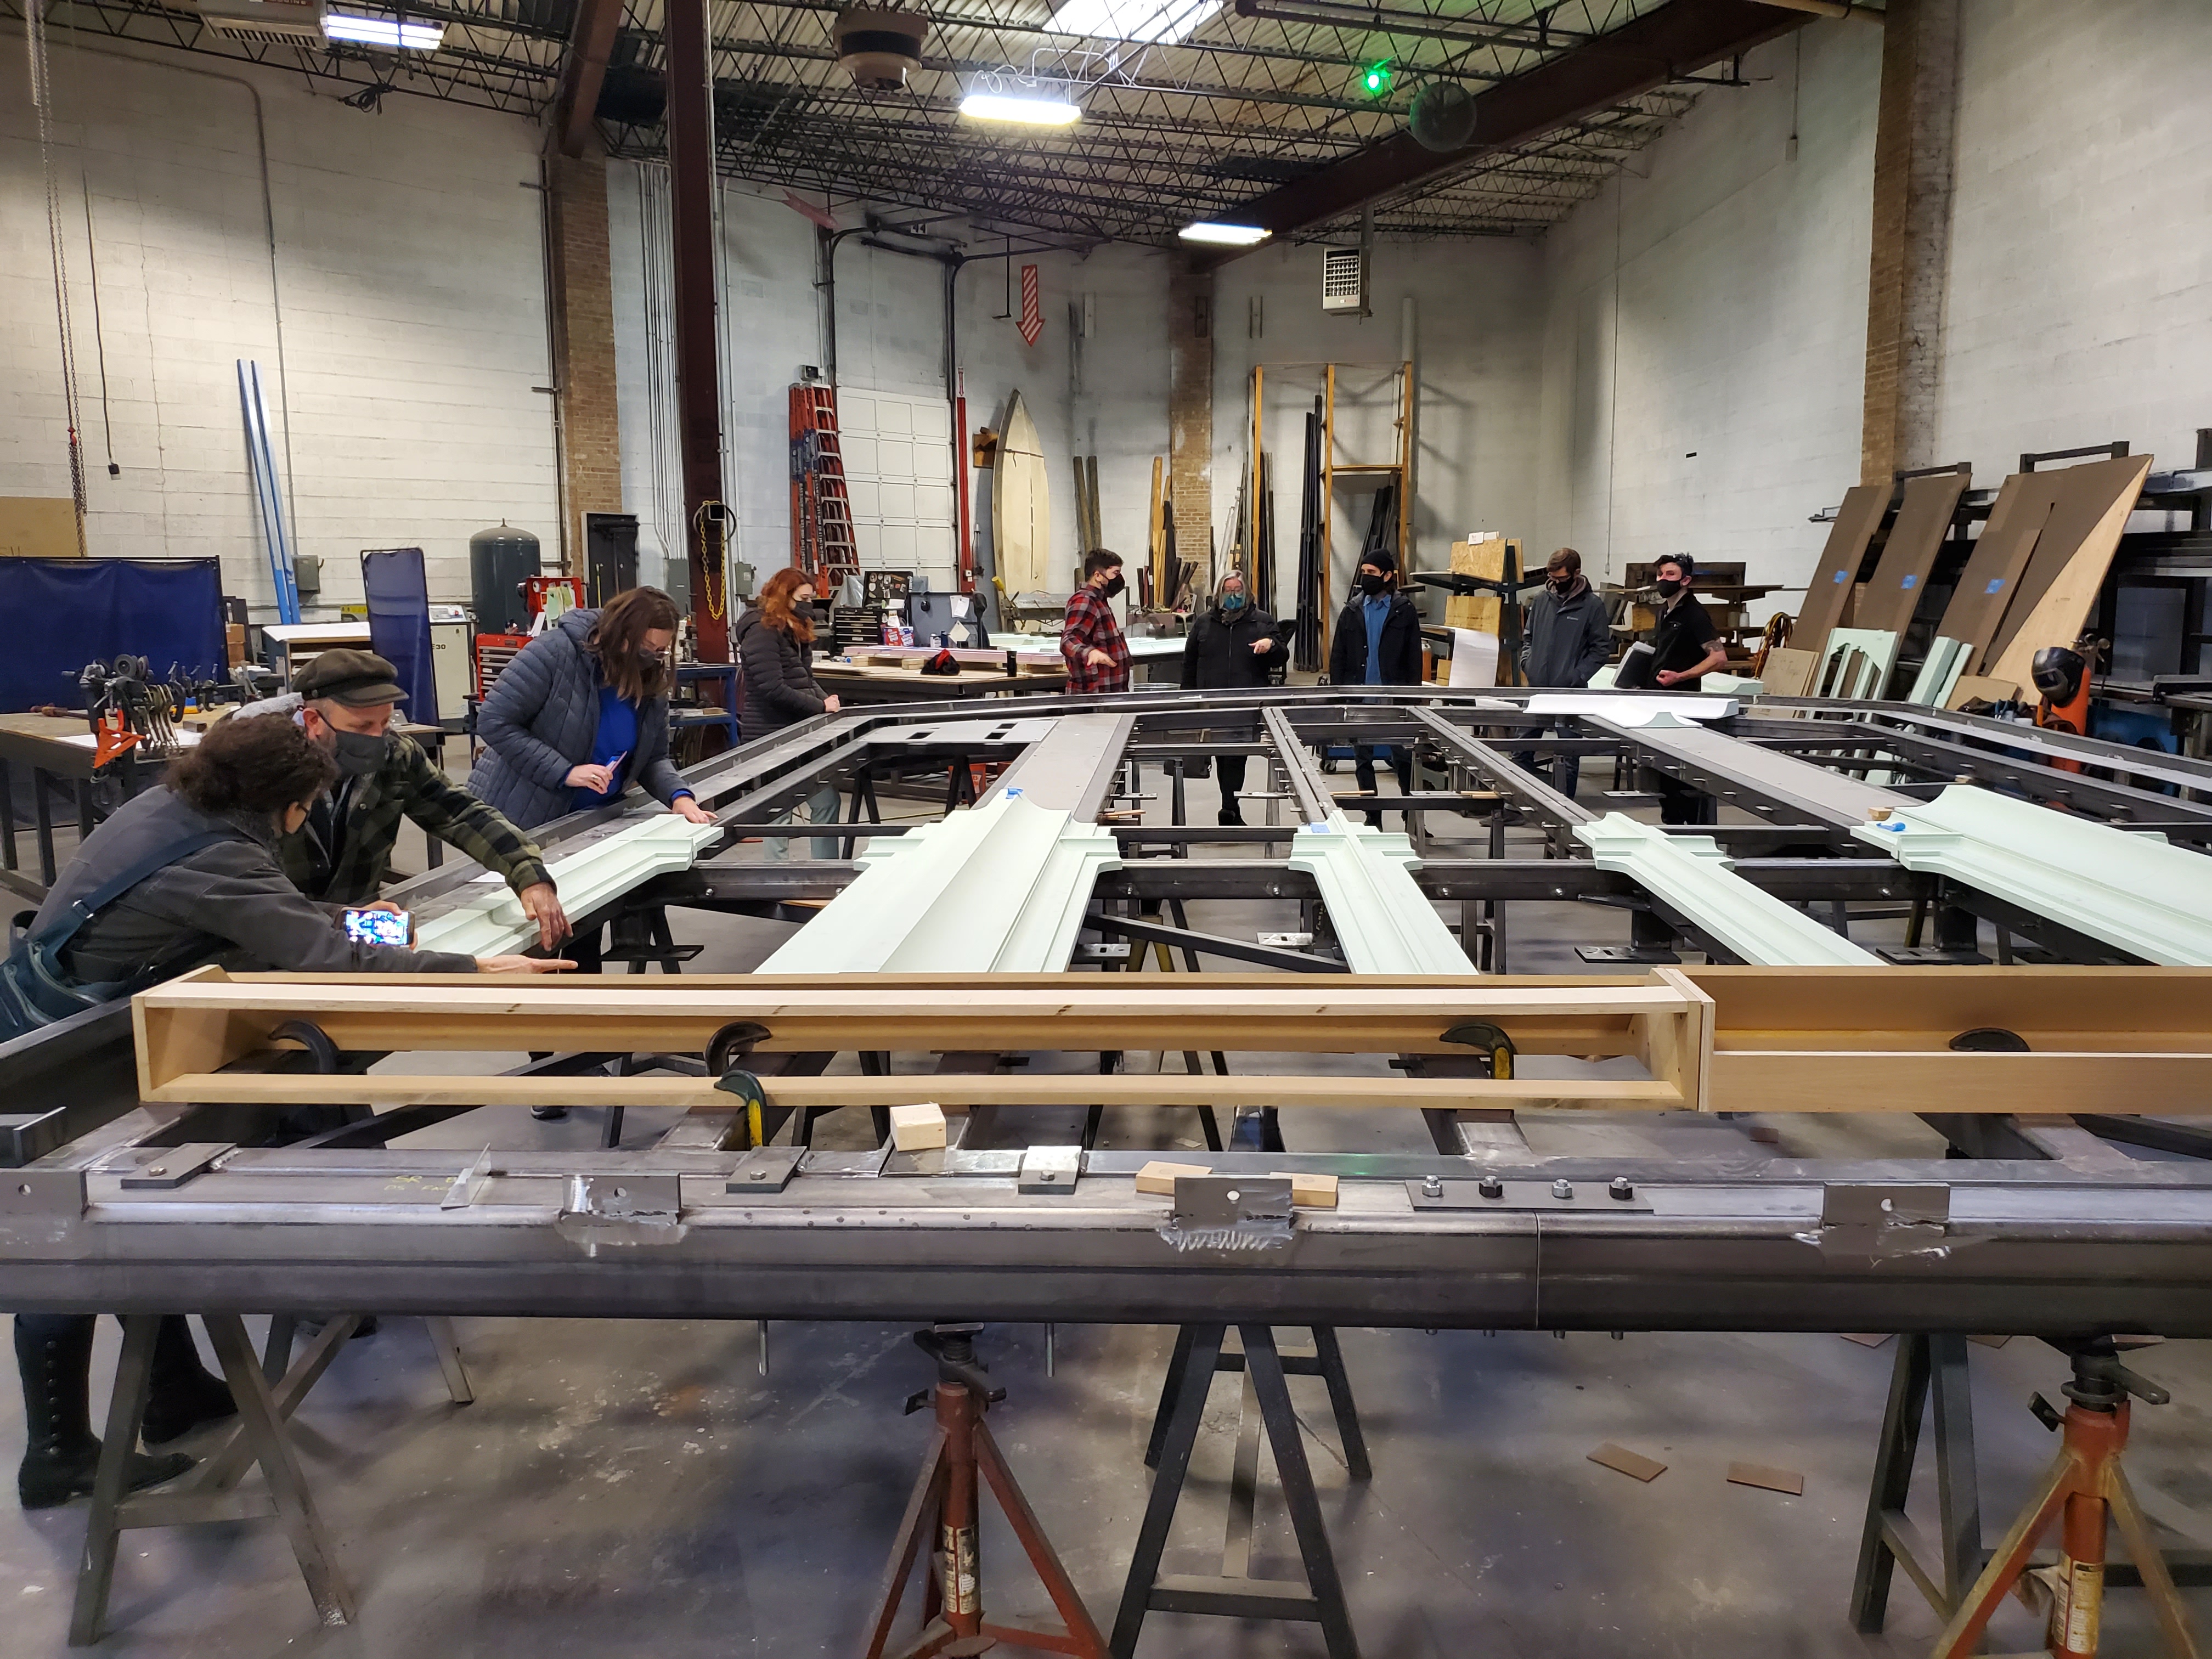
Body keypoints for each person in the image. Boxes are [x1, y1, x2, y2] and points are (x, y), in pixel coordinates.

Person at [2, 715, 568, 1509]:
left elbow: (287, 919)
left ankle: (171, 1395)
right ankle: (58, 1451)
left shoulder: (176, 810)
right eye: (310, 801)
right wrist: (467, 966)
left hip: (77, 1021)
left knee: (116, 1206)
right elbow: (319, 952)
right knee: (59, 1226)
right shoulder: (218, 855)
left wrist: (385, 927)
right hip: (63, 1054)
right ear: (286, 800)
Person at [238, 649, 569, 951]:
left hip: (356, 934)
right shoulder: (256, 766)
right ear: (313, 721)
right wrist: (337, 917)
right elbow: (240, 890)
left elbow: (459, 814)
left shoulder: (394, 756)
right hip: (267, 941)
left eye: (384, 723)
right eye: (362, 725)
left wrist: (529, 875)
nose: (376, 738)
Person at [469, 587, 716, 834]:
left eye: (659, 651)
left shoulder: (648, 676)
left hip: (592, 821)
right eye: (646, 647)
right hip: (521, 818)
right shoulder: (555, 653)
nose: (650, 658)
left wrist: (678, 796)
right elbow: (494, 721)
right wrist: (565, 772)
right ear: (620, 632)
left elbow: (653, 758)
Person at [734, 568, 844, 861]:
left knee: (826, 801)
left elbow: (805, 678)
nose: (810, 604)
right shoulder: (761, 631)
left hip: (799, 735)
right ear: (785, 595)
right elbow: (773, 688)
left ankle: (825, 870)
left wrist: (826, 700)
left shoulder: (793, 628)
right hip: (771, 735)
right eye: (804, 597)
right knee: (779, 812)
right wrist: (819, 707)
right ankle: (777, 876)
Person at [1180, 571, 1286, 825]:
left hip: (1245, 702)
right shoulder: (1204, 623)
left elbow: (1282, 655)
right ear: (1219, 594)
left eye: (1238, 590)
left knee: (1238, 756)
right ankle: (1229, 806)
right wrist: (1187, 701)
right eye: (1228, 590)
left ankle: (1230, 806)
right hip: (1212, 701)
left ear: (1247, 593)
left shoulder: (1261, 622)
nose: (1233, 595)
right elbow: (1189, 662)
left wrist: (1271, 644)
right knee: (1220, 755)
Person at [1327, 549, 1423, 827]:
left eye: (1372, 573)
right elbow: (1339, 656)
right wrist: (1339, 696)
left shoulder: (1403, 611)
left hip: (1393, 697)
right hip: (1360, 695)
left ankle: (1411, 815)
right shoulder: (1353, 610)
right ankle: (1373, 817)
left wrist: (1413, 698)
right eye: (1364, 572)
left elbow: (1413, 657)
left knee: (1403, 756)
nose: (1366, 578)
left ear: (1388, 576)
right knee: (1363, 758)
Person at [1515, 548, 1613, 798]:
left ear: (1576, 573)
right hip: (1537, 690)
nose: (1556, 583)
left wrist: (1576, 676)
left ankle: (1562, 810)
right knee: (1520, 750)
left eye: (1561, 578)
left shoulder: (1592, 606)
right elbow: (1528, 638)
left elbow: (1601, 650)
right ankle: (1519, 804)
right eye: (1552, 577)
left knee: (1568, 753)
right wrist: (1528, 663)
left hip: (1570, 693)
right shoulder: (1540, 601)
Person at [1639, 554, 1730, 823]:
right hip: (1659, 704)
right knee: (1666, 779)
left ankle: (1695, 833)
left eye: (1670, 575)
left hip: (1682, 704)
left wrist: (1681, 676)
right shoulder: (1664, 611)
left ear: (1686, 580)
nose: (1663, 580)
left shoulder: (1694, 613)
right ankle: (1674, 829)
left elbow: (1719, 658)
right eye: (1660, 575)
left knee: (1684, 778)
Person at [1062, 549, 1132, 696]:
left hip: (1107, 693)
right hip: (1093, 695)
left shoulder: (1100, 601)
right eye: (1116, 573)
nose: (1119, 579)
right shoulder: (1085, 600)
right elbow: (1068, 641)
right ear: (1098, 576)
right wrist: (1090, 652)